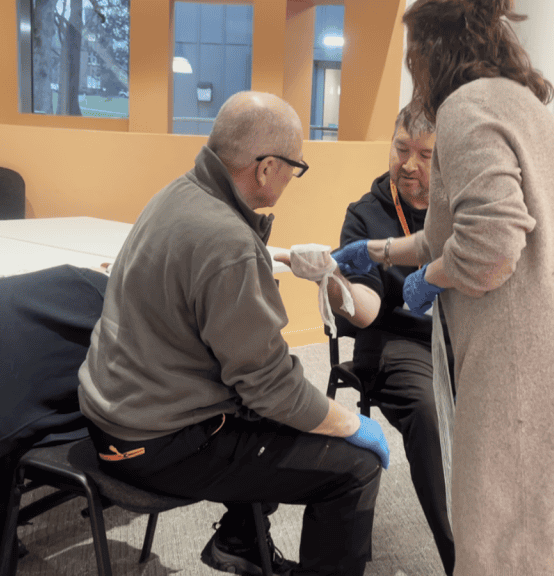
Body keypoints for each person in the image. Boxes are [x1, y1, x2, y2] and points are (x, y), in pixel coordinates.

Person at [332, 1, 554, 573]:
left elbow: (491, 248)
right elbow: (444, 234)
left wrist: (429, 279)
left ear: (432, 51)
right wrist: (380, 252)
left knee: (513, 536)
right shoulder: (524, 107)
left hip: (538, 357)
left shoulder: (466, 108)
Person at [77, 91, 389, 576]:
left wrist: (278, 254)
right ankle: (255, 542)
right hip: (157, 443)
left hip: (116, 415)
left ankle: (240, 541)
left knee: (260, 406)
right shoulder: (228, 244)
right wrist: (351, 424)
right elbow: (273, 388)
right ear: (265, 169)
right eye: (294, 168)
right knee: (353, 466)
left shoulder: (178, 195)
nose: (292, 179)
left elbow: (211, 262)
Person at [281, 102, 455, 574]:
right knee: (428, 411)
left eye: (425, 154)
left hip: (458, 340)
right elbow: (367, 310)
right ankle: (460, 559)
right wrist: (333, 280)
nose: (409, 164)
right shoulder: (366, 214)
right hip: (395, 341)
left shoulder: (459, 207)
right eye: (401, 149)